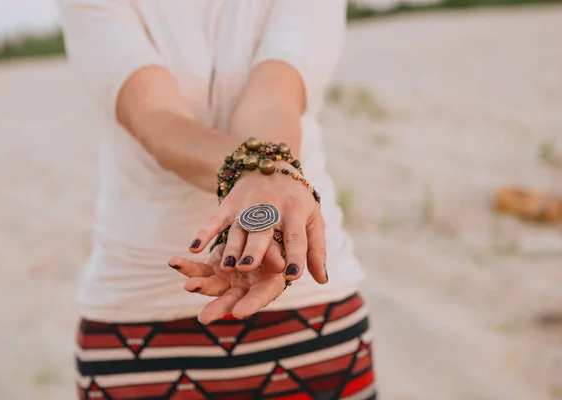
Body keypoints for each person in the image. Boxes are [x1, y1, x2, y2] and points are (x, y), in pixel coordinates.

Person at [59, 1, 375, 399]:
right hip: (135, 320)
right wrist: (263, 174)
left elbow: (275, 98)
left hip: (309, 309)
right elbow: (155, 119)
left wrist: (268, 180)